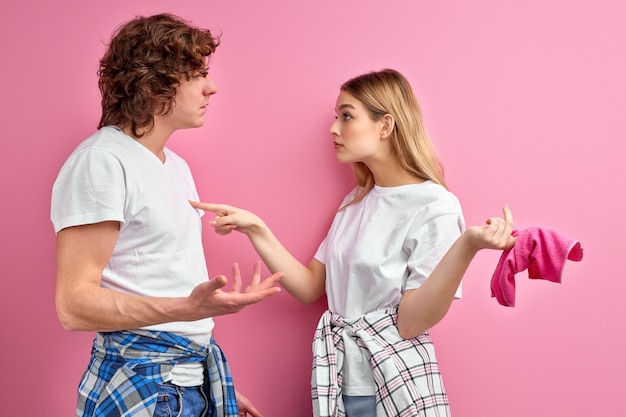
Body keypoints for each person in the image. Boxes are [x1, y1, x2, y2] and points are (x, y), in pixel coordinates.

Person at [191, 69, 516, 416]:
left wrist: (466, 246)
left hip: (394, 383)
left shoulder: (434, 205)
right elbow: (309, 287)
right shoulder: (355, 202)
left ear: (385, 126)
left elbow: (411, 323)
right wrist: (255, 227)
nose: (334, 129)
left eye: (346, 116)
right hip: (340, 382)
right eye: (336, 117)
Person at [50, 13, 282, 417]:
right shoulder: (101, 162)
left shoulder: (175, 165)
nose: (211, 88)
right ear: (154, 81)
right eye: (197, 74)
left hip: (181, 387)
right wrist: (187, 309)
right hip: (141, 384)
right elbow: (73, 305)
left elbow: (156, 276)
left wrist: (207, 389)